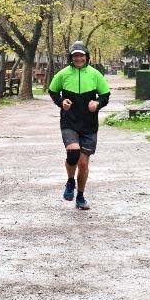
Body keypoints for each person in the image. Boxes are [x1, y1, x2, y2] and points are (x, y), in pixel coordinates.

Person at [48, 41, 110, 210]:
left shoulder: (95, 74)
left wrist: (97, 104)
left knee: (83, 164)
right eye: (75, 55)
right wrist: (61, 102)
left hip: (89, 124)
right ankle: (70, 181)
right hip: (70, 121)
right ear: (71, 57)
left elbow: (105, 95)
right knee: (73, 153)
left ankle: (80, 196)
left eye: (81, 55)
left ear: (87, 57)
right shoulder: (63, 74)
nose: (78, 58)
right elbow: (53, 91)